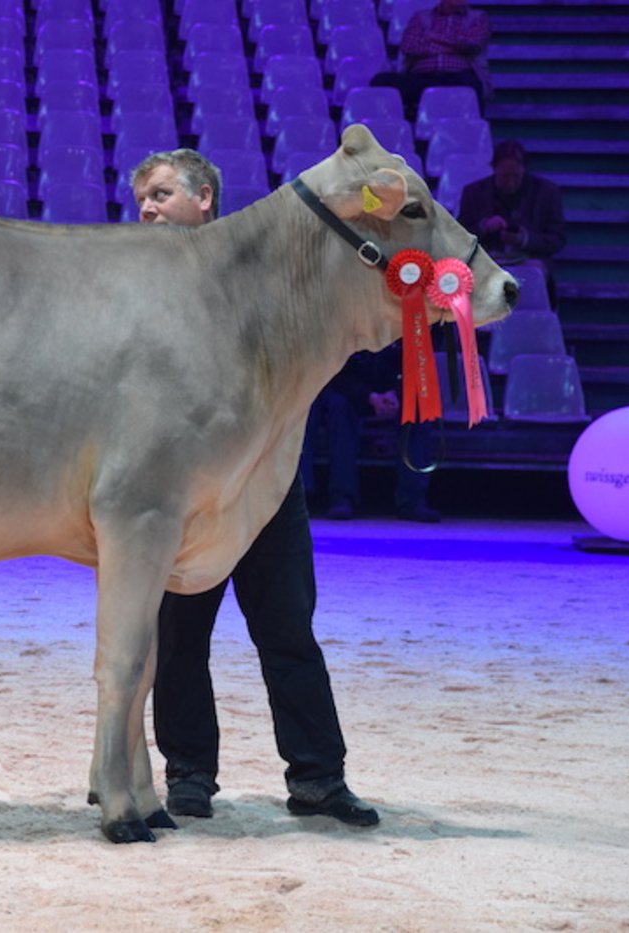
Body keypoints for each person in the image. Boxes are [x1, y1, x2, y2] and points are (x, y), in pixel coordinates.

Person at [131, 148, 379, 827]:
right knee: (180, 638)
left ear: (204, 196)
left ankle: (319, 777)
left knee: (288, 632)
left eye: (158, 194)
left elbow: (317, 343)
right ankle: (188, 774)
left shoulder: (263, 265)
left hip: (267, 481)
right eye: (142, 200)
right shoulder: (133, 282)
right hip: (187, 490)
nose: (146, 209)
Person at [301, 345, 441, 523]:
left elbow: (414, 361)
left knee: (417, 409)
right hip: (348, 390)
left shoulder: (402, 322)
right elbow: (336, 371)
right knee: (339, 408)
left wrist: (394, 391)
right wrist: (369, 396)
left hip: (390, 389)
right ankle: (342, 497)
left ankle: (412, 500)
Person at [457, 140, 566, 298]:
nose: (511, 182)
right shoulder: (473, 193)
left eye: (516, 176)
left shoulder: (547, 193)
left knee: (534, 274)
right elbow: (460, 237)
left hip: (531, 260)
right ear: (494, 169)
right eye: (505, 176)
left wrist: (525, 240)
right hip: (487, 258)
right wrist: (484, 227)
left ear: (524, 170)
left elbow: (557, 239)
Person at [372, 0, 492, 117]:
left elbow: (472, 43)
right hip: (422, 77)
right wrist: (454, 46)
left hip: (458, 76)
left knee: (472, 85)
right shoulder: (420, 18)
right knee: (381, 81)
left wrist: (433, 38)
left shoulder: (478, 18)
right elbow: (408, 46)